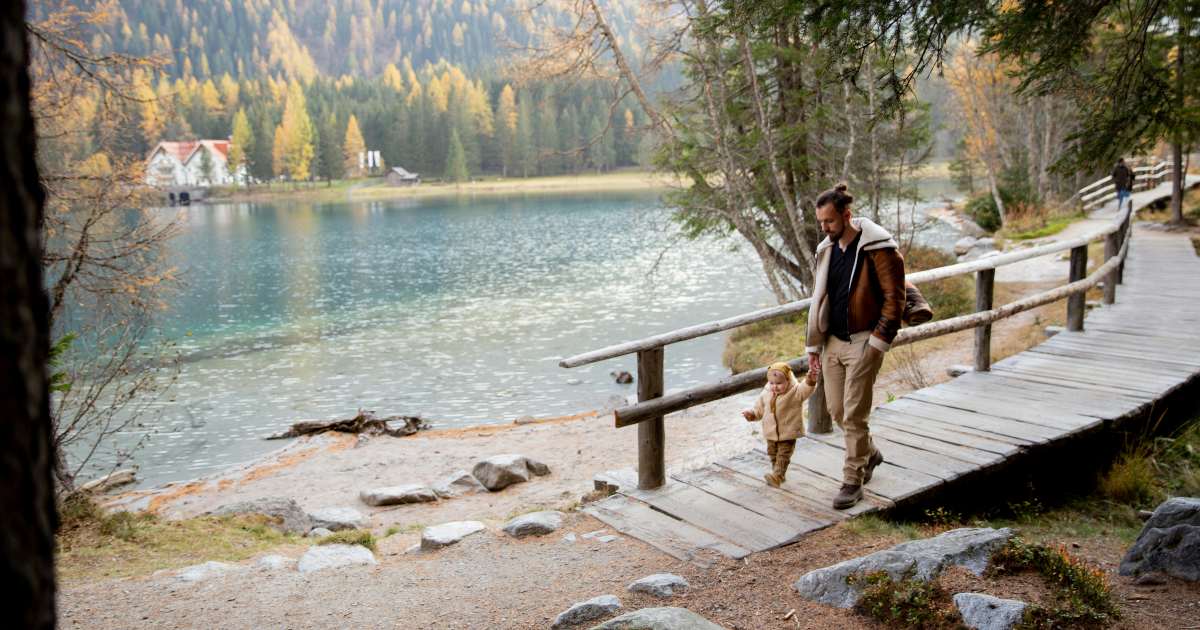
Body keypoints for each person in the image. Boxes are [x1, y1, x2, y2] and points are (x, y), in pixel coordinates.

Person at [805, 183, 906, 510]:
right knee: (836, 410)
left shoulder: (878, 249)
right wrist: (813, 346)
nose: (824, 228)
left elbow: (895, 299)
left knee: (854, 413)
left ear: (847, 216)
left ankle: (852, 480)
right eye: (821, 222)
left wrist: (877, 344)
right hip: (832, 342)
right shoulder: (827, 249)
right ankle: (869, 453)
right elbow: (818, 299)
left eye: (830, 222)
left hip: (865, 341)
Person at [742, 362, 817, 487]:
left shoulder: (795, 392)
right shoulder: (766, 392)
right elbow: (759, 409)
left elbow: (805, 390)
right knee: (772, 454)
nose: (775, 387)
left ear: (788, 380)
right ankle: (776, 474)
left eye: (779, 383)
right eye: (772, 383)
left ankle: (778, 475)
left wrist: (810, 380)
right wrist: (752, 414)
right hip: (771, 432)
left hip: (788, 432)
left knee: (783, 455)